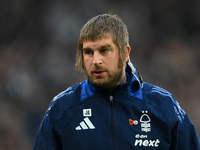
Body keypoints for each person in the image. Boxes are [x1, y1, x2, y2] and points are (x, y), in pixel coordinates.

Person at [33, 13, 200, 150]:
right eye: (89, 52)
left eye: (104, 50)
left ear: (125, 53)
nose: (95, 60)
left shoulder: (164, 105)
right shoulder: (62, 109)